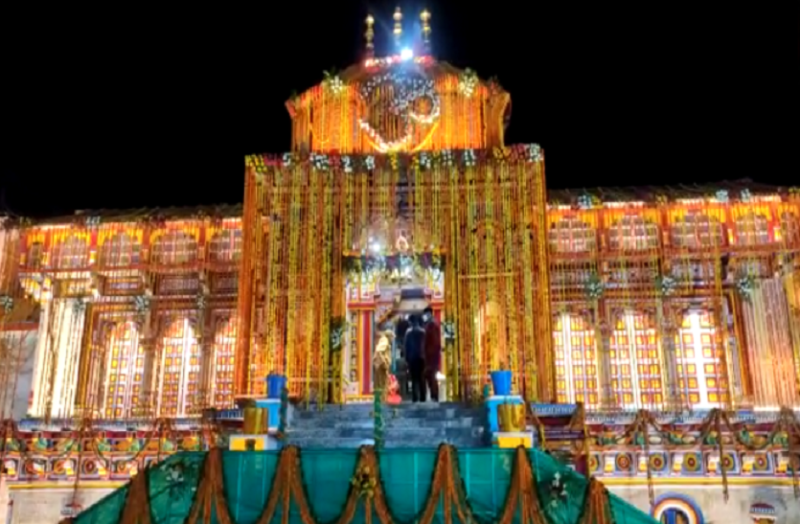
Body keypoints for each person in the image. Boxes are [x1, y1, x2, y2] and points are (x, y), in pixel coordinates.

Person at [403, 314, 427, 402]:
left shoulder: (408, 333)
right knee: (422, 378)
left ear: (411, 322)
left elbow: (406, 347)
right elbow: (426, 346)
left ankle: (415, 397)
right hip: (422, 358)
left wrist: (406, 359)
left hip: (412, 359)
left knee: (414, 379)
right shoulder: (423, 332)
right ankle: (423, 397)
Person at [422, 306, 441, 402]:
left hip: (431, 357)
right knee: (430, 376)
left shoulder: (432, 325)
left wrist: (428, 355)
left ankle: (435, 396)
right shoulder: (430, 324)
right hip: (431, 356)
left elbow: (434, 342)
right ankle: (434, 395)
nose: (424, 316)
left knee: (432, 377)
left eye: (425, 314)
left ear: (429, 314)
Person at [373, 330, 394, 399]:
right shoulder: (385, 341)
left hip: (379, 367)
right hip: (381, 368)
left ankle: (379, 405)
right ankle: (382, 404)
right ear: (389, 336)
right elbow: (379, 351)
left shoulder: (383, 340)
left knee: (379, 387)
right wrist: (384, 363)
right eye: (392, 337)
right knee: (382, 387)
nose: (392, 339)